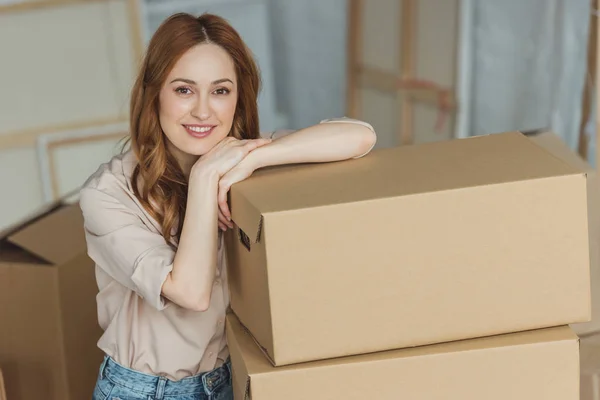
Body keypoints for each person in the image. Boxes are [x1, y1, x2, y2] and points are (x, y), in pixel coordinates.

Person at [80, 12, 377, 400]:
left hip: (227, 380)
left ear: (238, 98)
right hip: (142, 392)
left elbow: (359, 136)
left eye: (220, 91)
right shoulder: (107, 194)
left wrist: (255, 158)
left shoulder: (237, 158)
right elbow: (189, 292)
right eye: (184, 90)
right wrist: (205, 178)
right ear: (155, 94)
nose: (203, 111)